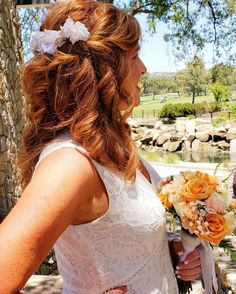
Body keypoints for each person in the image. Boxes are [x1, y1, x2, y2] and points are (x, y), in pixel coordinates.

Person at [0, 0, 201, 293]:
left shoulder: (110, 144)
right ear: (105, 71)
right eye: (135, 57)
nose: (144, 69)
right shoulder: (70, 164)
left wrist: (169, 252)